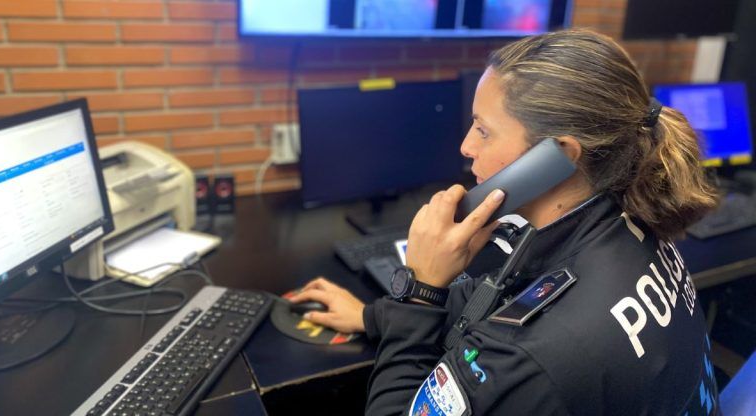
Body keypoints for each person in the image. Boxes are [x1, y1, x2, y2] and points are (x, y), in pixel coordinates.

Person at [289, 29, 721, 415]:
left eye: (483, 130)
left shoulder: (531, 359)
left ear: (561, 155)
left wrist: (419, 294)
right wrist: (371, 316)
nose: (464, 146)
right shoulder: (624, 226)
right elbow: (508, 300)